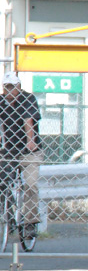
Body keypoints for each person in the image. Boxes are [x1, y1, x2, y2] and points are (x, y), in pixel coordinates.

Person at [0, 72, 41, 241]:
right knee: (2, 181)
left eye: (12, 87)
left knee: (30, 184)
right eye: (6, 87)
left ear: (19, 87)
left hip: (29, 151)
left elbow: (28, 120)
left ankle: (30, 222)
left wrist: (30, 141)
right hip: (8, 150)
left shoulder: (27, 99)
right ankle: (7, 216)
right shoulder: (1, 101)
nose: (9, 91)